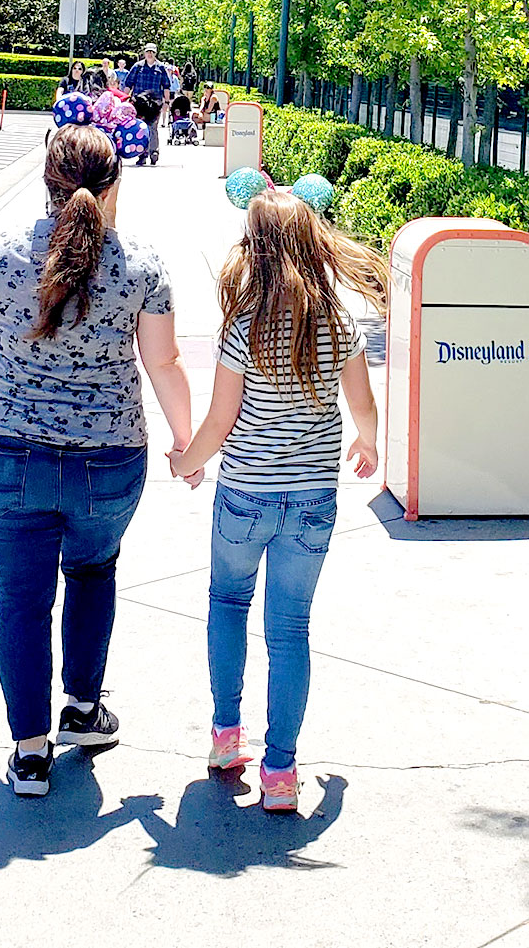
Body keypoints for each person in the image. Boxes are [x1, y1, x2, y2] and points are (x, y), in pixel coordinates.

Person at [0, 124, 193, 798]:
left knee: (21, 602)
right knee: (92, 570)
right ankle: (83, 710)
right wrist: (185, 441)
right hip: (109, 461)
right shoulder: (140, 263)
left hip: (8, 454)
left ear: (45, 181)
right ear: (114, 183)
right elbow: (164, 362)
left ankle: (29, 754)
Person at [169, 191, 387, 812]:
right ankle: (282, 772)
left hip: (245, 496)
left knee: (228, 604)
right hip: (313, 500)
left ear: (255, 251)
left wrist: (188, 462)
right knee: (290, 629)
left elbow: (219, 418)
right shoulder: (339, 324)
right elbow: (363, 404)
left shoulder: (244, 327)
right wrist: (366, 441)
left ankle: (225, 738)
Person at [124, 42, 171, 166]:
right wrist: (123, 99)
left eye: (152, 52)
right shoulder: (137, 67)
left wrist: (166, 102)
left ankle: (153, 152)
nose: (150, 54)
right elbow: (128, 84)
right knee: (139, 128)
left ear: (156, 54)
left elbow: (166, 86)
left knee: (153, 128)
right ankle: (141, 154)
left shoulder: (161, 68)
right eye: (148, 52)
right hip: (138, 103)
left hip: (155, 103)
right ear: (144, 53)